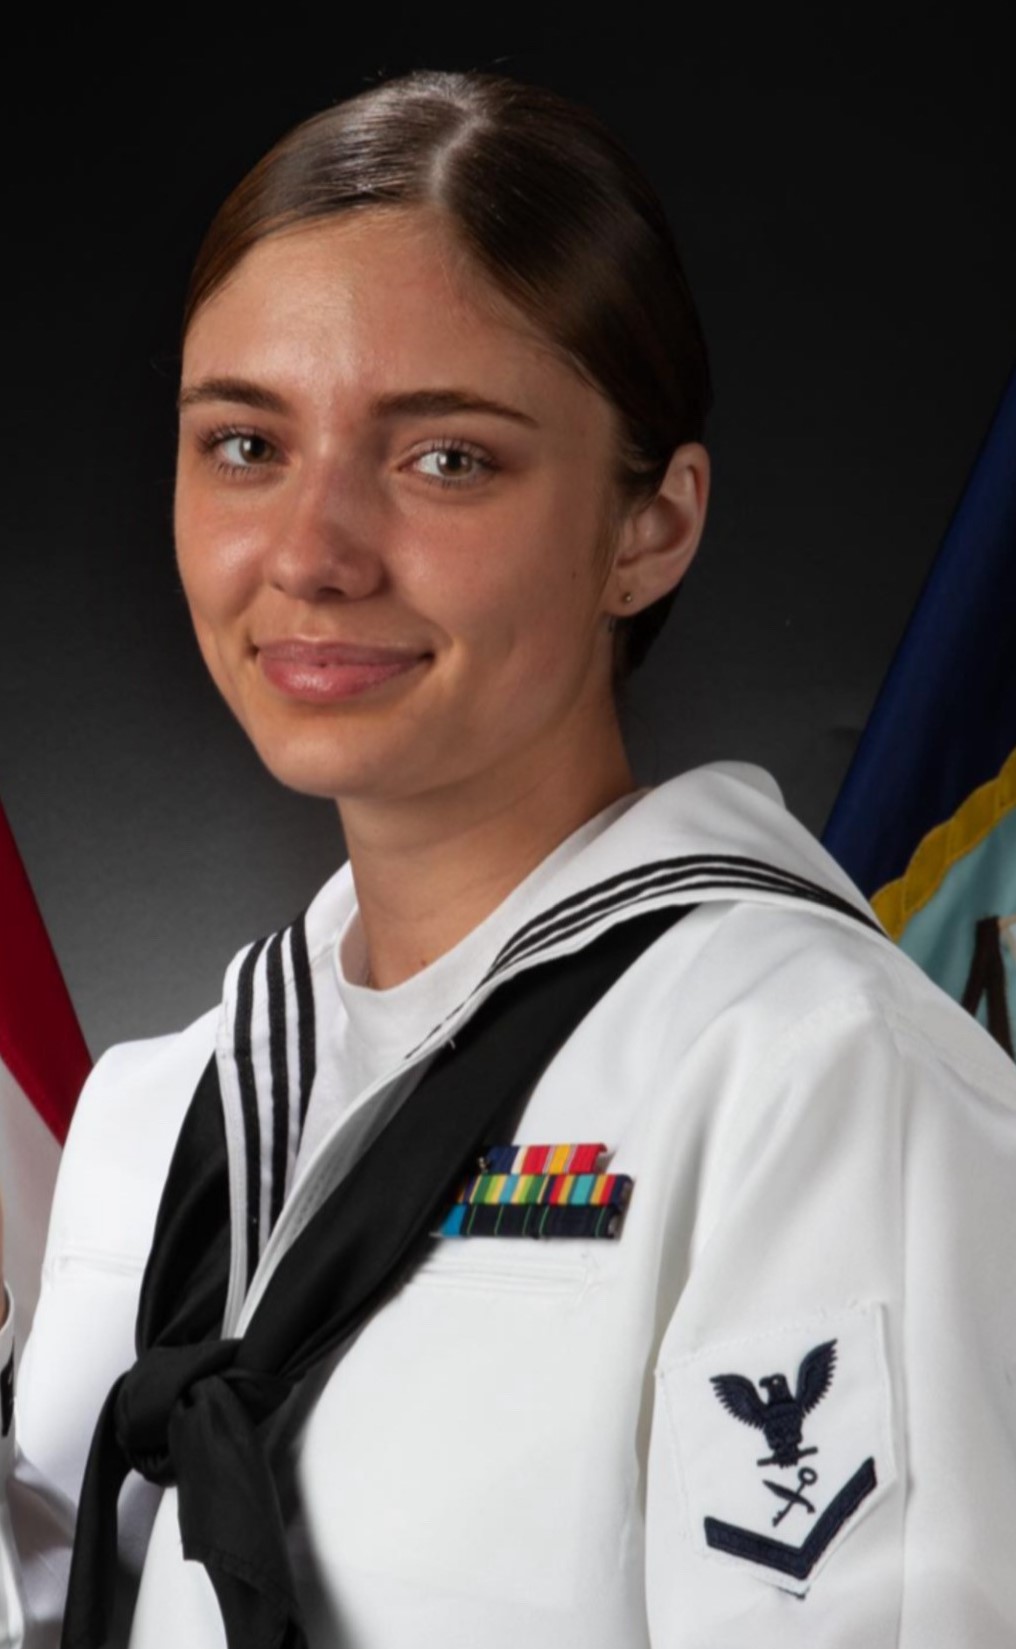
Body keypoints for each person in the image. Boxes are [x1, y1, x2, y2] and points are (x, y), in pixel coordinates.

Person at [2, 66, 1016, 1649]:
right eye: (246, 443)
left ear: (651, 527)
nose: (315, 553)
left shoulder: (813, 1081)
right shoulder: (152, 1122)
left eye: (447, 458)